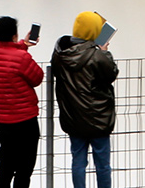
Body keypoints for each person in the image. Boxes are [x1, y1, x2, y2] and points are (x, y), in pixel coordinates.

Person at [51, 11, 119, 188]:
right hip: (98, 118)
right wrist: (105, 52)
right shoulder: (97, 56)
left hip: (73, 118)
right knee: (103, 164)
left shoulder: (60, 54)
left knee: (78, 161)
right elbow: (111, 73)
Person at [0, 16, 45, 188]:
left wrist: (23, 45)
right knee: (24, 169)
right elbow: (37, 78)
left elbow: (7, 55)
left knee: (6, 165)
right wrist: (23, 49)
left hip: (4, 122)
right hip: (26, 121)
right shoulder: (21, 58)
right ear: (13, 35)